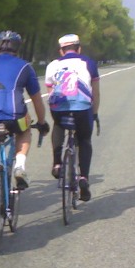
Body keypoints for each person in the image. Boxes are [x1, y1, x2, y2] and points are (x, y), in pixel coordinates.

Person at [0, 30, 49, 229]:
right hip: (14, 114)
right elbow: (36, 99)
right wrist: (42, 121)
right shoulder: (24, 66)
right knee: (25, 130)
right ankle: (20, 165)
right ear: (17, 47)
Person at [45, 33, 100, 201]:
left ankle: (57, 163)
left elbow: (50, 92)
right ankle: (83, 177)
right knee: (84, 140)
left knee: (58, 125)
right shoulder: (88, 63)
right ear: (79, 49)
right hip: (82, 107)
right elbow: (95, 93)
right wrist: (94, 113)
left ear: (61, 51)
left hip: (59, 107)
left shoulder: (53, 65)